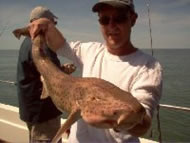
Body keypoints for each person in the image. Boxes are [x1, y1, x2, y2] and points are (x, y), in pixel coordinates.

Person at [28, 0, 163, 143]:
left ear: (133, 19)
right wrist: (47, 26)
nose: (111, 25)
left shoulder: (149, 66)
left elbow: (144, 122)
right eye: (105, 20)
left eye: (119, 18)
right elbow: (60, 45)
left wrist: (118, 119)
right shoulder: (91, 50)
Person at [16, 6, 63, 143]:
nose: (54, 27)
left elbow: (40, 71)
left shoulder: (26, 42)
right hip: (44, 113)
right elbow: (54, 77)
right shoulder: (41, 43)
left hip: (30, 110)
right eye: (53, 23)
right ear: (43, 23)